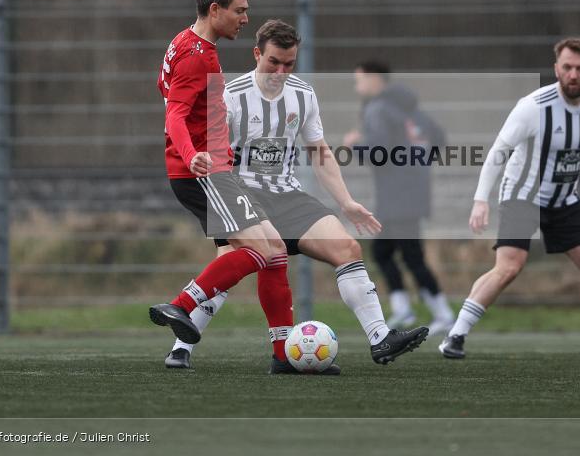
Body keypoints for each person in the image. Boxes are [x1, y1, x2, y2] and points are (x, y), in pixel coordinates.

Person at [163, 20, 429, 370]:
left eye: (289, 63)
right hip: (241, 193)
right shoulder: (231, 96)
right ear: (257, 53)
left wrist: (347, 202)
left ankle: (380, 338)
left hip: (288, 195)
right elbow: (209, 148)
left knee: (347, 248)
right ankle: (181, 347)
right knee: (229, 266)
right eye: (274, 61)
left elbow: (319, 151)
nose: (281, 71)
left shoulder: (303, 95)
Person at [149, 0, 300, 374]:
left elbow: (172, 98)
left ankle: (284, 356)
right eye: (240, 10)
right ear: (215, 10)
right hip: (202, 172)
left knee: (276, 251)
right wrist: (193, 153)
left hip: (212, 169)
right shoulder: (199, 57)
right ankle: (182, 303)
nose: (246, 19)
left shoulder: (185, 41)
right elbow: (175, 115)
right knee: (261, 250)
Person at [439, 38, 580, 361]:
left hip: (564, 200)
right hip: (522, 196)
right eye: (566, 67)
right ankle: (455, 335)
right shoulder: (534, 106)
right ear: (556, 69)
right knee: (509, 267)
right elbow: (499, 152)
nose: (572, 74)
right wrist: (481, 199)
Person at [345, 61, 455, 334]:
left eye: (359, 80)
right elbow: (439, 139)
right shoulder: (412, 110)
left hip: (396, 197)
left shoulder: (378, 109)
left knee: (410, 255)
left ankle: (443, 314)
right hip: (412, 192)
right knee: (383, 252)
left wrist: (355, 145)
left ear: (374, 79)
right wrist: (416, 166)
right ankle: (403, 311)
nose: (357, 86)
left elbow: (378, 152)